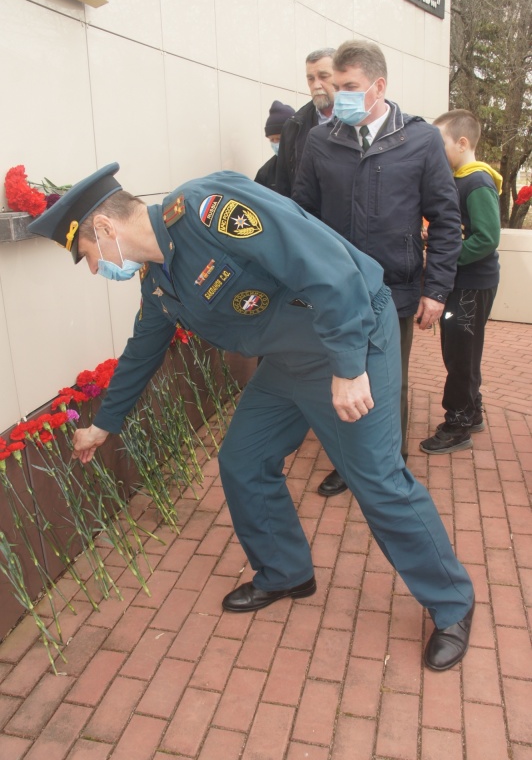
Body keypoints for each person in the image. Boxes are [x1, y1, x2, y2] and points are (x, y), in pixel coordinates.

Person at [28, 163, 475, 672]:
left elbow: (325, 265)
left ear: (106, 229)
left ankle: (453, 603)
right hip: (288, 359)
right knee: (243, 459)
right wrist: (103, 424)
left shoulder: (206, 207)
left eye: (87, 256)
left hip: (349, 337)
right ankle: (285, 571)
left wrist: (350, 367)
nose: (94, 270)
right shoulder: (159, 283)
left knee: (377, 480)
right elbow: (140, 354)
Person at [292, 39, 463, 495]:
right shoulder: (320, 140)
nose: (339, 93)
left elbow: (447, 219)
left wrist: (437, 288)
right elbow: (302, 214)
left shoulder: (420, 139)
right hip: (334, 290)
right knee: (341, 375)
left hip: (397, 287)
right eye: (335, 83)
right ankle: (348, 464)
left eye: (351, 86)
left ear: (379, 86)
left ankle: (389, 464)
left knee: (388, 384)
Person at [420, 109, 501, 454]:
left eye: (441, 144)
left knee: (461, 355)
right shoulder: (458, 179)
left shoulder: (476, 182)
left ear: (462, 143)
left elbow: (486, 238)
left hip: (472, 284)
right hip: (463, 282)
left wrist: (445, 259)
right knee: (463, 352)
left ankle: (459, 423)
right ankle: (472, 410)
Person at [275, 48, 336, 197]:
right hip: (307, 217)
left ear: (340, 77)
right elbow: (283, 188)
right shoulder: (293, 126)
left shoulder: (358, 121)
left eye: (323, 76)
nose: (316, 85)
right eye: (311, 78)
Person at [254, 101, 295, 191]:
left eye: (279, 139)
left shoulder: (310, 163)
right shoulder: (265, 173)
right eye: (272, 140)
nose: (276, 144)